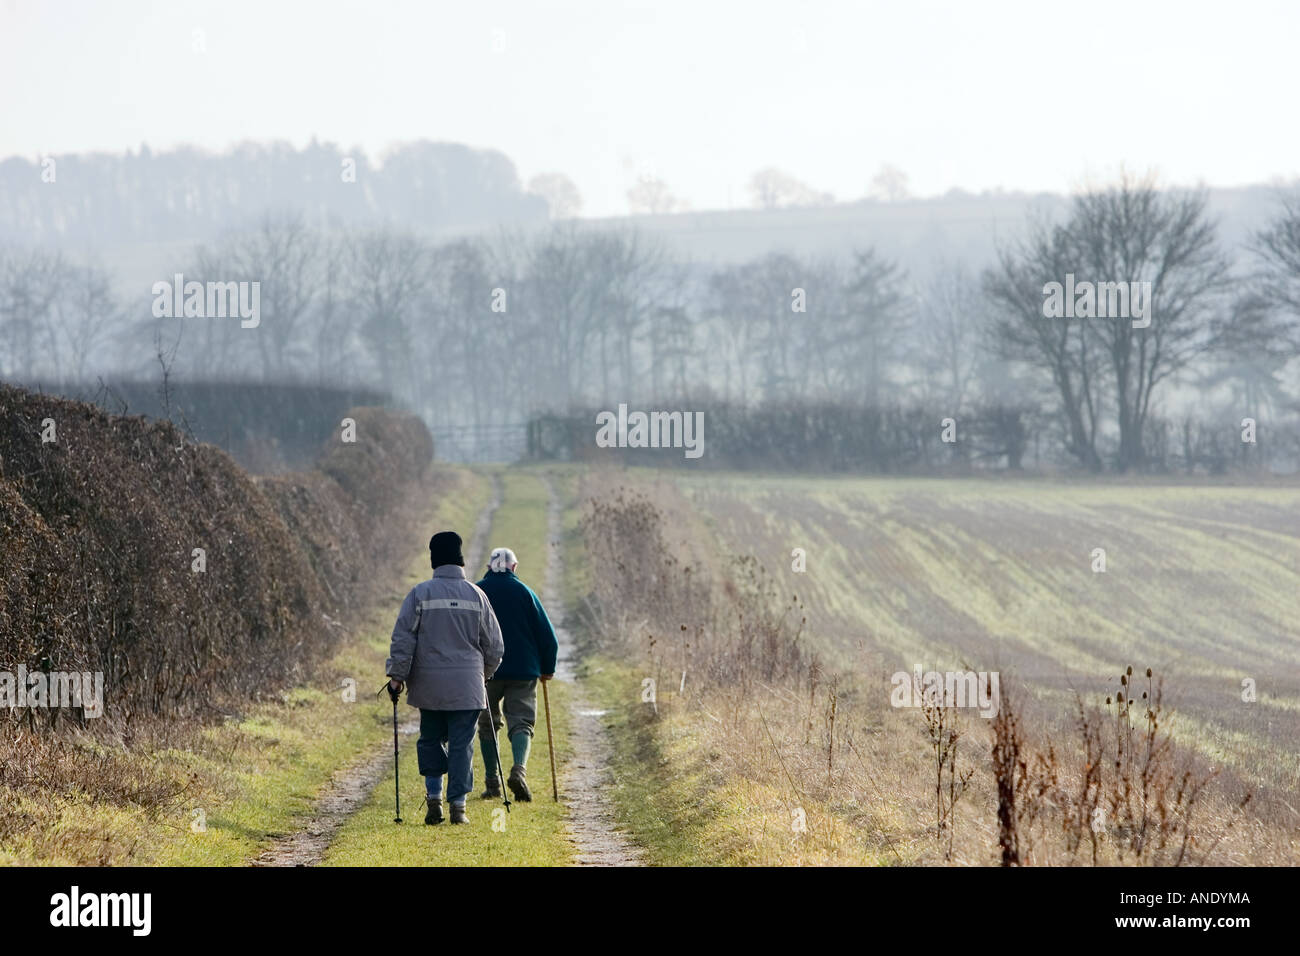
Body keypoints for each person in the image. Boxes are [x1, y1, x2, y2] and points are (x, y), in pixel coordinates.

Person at [387, 531, 503, 825]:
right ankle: (459, 808)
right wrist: (483, 675)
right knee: (462, 745)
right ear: (461, 560)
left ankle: (434, 799)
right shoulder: (477, 595)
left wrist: (397, 677)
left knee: (430, 739)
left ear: (434, 560)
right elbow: (495, 646)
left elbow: (403, 639)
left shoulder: (419, 594)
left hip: (429, 687)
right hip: (467, 686)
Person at [475, 547, 558, 802]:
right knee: (521, 722)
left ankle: (492, 783)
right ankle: (519, 770)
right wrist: (547, 669)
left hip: (486, 670)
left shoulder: (477, 592)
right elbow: (548, 637)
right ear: (514, 567)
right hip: (523, 670)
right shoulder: (526, 593)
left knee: (488, 722)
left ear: (489, 567)